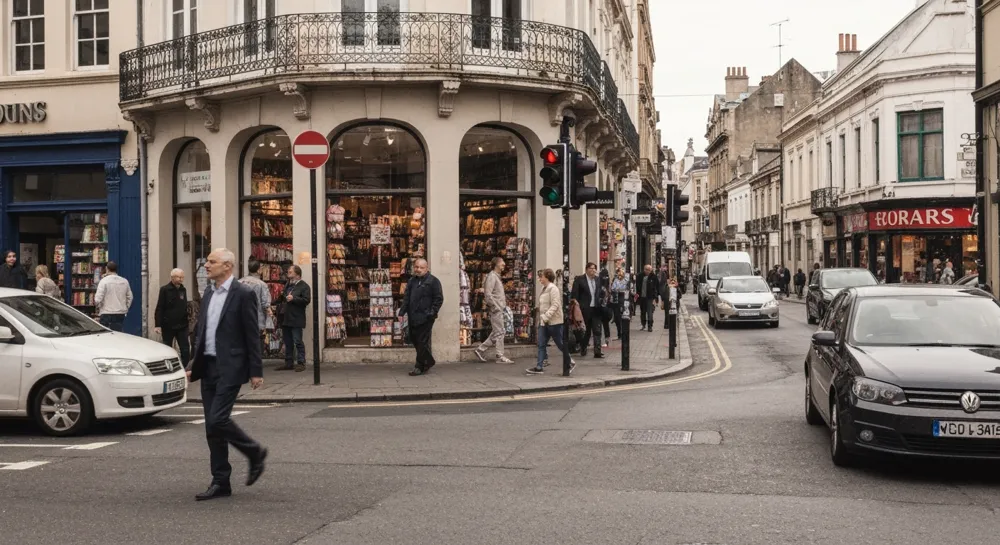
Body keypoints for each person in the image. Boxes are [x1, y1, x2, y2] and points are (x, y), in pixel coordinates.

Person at [186, 248, 267, 501]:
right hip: (208, 366)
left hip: (231, 366)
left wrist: (256, 370)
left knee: (218, 419)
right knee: (212, 427)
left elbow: (252, 333)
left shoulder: (243, 294)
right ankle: (221, 481)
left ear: (227, 266)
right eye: (207, 261)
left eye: (212, 262)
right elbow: (202, 332)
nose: (207, 265)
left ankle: (254, 452)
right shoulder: (209, 292)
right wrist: (192, 363)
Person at [399, 258, 443, 376]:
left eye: (421, 267)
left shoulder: (433, 281)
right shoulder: (412, 281)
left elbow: (438, 299)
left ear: (427, 268)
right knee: (414, 339)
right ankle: (428, 361)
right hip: (413, 316)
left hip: (426, 317)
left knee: (422, 341)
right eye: (416, 267)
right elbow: (407, 297)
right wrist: (401, 312)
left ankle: (418, 366)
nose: (418, 270)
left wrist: (431, 313)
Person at [526, 269, 575, 375]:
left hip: (554, 322)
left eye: (541, 277)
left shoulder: (553, 289)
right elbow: (544, 303)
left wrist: (546, 316)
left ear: (547, 277)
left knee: (560, 344)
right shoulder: (544, 289)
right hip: (544, 321)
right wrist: (537, 309)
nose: (540, 279)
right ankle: (539, 367)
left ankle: (570, 362)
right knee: (541, 344)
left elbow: (555, 305)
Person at [474, 257, 513, 364]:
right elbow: (488, 294)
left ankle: (480, 349)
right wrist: (496, 307)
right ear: (496, 264)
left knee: (498, 331)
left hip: (499, 308)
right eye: (502, 264)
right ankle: (500, 355)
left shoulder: (495, 276)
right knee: (500, 332)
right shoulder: (492, 277)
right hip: (496, 309)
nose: (504, 265)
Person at [154, 268, 190, 365]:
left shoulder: (183, 289)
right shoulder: (165, 289)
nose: (181, 279)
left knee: (185, 348)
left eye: (182, 277)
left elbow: (184, 305)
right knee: (167, 348)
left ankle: (185, 366)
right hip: (168, 324)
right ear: (172, 277)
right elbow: (160, 307)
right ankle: (168, 366)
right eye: (179, 277)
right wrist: (158, 324)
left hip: (182, 324)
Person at [277, 265, 309, 372]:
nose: (288, 272)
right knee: (287, 341)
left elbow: (306, 300)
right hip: (286, 316)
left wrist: (294, 298)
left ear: (297, 274)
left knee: (297, 340)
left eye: (290, 271)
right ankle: (288, 362)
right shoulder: (287, 284)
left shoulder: (304, 286)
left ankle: (301, 362)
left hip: (296, 317)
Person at [570, 262, 606, 358]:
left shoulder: (598, 280)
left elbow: (601, 292)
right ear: (586, 269)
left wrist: (602, 299)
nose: (593, 270)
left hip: (596, 308)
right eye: (591, 268)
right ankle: (583, 347)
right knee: (586, 331)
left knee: (597, 330)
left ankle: (597, 351)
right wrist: (576, 303)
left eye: (594, 269)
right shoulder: (579, 279)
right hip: (585, 309)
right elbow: (574, 294)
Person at [239, 259, 273, 348]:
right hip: (257, 318)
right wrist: (269, 312)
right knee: (256, 343)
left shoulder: (239, 282)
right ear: (258, 270)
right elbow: (265, 303)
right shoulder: (261, 284)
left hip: (240, 317)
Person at [95, 261, 133, 332]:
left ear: (107, 268)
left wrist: (99, 307)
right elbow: (130, 297)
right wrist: (125, 307)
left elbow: (98, 299)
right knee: (118, 334)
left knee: (105, 335)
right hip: (120, 313)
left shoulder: (104, 281)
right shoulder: (124, 281)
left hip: (106, 312)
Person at [636, 264, 659, 332]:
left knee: (649, 312)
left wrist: (656, 297)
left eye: (649, 270)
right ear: (644, 269)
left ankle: (650, 326)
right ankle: (643, 324)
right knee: (642, 311)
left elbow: (656, 287)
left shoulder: (653, 277)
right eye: (646, 269)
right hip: (642, 297)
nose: (647, 271)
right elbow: (637, 286)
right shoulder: (639, 276)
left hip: (650, 297)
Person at [610, 268, 628, 339]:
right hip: (616, 301)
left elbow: (626, 290)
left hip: (623, 301)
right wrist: (619, 289)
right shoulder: (616, 280)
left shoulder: (626, 281)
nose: (619, 276)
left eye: (621, 274)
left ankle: (624, 333)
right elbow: (613, 288)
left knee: (623, 318)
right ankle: (619, 334)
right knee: (617, 318)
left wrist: (618, 289)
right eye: (618, 274)